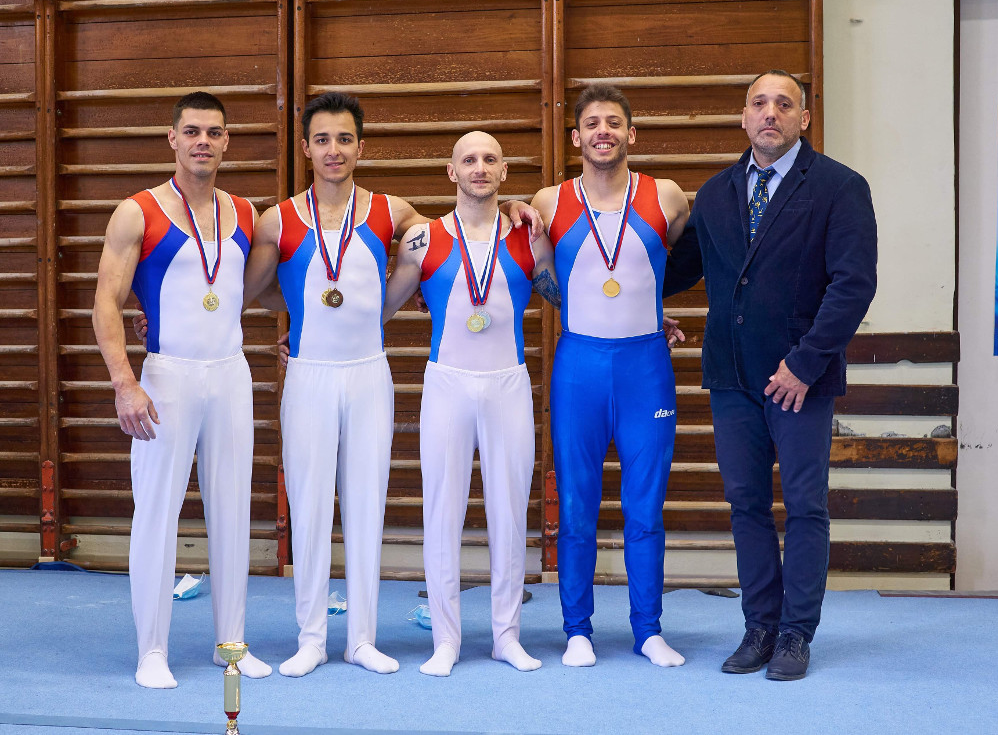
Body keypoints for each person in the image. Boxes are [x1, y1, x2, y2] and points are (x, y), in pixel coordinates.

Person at [242, 93, 543, 678]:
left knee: (366, 506)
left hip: (369, 373)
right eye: (323, 140)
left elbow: (458, 234)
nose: (334, 150)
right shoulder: (277, 220)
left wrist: (515, 206)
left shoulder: (398, 214)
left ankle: (361, 638)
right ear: (306, 148)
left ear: (361, 146)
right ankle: (311, 638)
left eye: (345, 139)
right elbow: (246, 290)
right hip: (308, 373)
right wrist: (304, 318)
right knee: (307, 506)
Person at [662, 69, 877, 681]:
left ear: (803, 119)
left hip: (800, 379)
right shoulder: (718, 192)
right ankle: (759, 626)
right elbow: (677, 270)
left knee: (806, 507)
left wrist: (805, 362)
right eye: (759, 103)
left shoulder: (839, 187)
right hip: (732, 378)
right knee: (746, 504)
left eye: (784, 104)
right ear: (743, 116)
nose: (770, 114)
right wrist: (596, 272)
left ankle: (795, 634)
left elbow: (854, 283)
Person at [92, 92, 272, 688]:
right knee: (157, 515)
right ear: (172, 138)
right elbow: (106, 304)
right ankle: (151, 650)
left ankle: (232, 644)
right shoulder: (136, 212)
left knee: (232, 512)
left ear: (227, 141)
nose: (203, 141)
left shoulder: (245, 212)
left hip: (230, 374)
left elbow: (247, 290)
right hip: (166, 378)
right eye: (191, 131)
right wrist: (125, 383)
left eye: (214, 132)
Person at [384, 131, 559, 677]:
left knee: (509, 511)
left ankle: (507, 635)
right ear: (450, 171)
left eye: (489, 159)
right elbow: (380, 309)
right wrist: (304, 335)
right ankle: (446, 640)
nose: (479, 168)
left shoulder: (529, 237)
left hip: (507, 383)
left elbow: (564, 296)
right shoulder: (422, 240)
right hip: (448, 384)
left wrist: (648, 320)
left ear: (505, 171)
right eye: (468, 160)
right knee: (442, 513)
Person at [527, 84, 690, 668]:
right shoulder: (548, 201)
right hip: (580, 366)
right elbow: (544, 278)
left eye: (614, 123)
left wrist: (650, 312)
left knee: (646, 506)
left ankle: (648, 630)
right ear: (575, 137)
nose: (603, 132)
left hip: (645, 364)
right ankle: (578, 630)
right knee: (576, 504)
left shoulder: (666, 196)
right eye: (592, 123)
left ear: (631, 133)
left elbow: (673, 262)